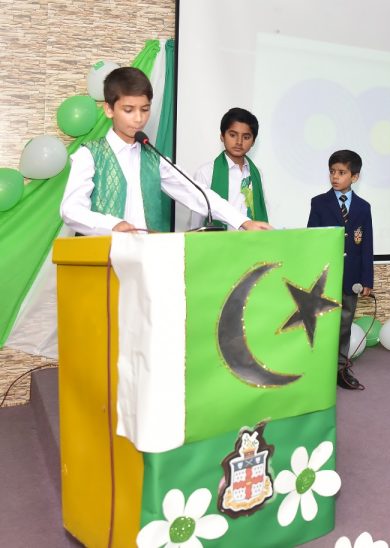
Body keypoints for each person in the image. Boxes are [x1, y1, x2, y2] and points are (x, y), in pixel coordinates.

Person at [60, 67, 270, 235]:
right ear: (109, 109)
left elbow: (196, 192)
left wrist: (243, 222)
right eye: (128, 110)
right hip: (103, 262)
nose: (139, 118)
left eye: (145, 109)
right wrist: (112, 225)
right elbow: (71, 210)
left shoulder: (153, 158)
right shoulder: (90, 155)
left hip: (147, 259)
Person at [307, 150, 373, 390]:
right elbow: (312, 241)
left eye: (342, 173)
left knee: (344, 325)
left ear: (355, 177)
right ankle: (318, 370)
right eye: (332, 172)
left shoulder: (363, 207)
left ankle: (340, 369)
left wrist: (367, 279)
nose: (335, 177)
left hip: (351, 278)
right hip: (325, 277)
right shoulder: (319, 203)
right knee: (322, 325)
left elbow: (366, 245)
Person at [189, 107, 268, 230]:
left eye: (246, 137)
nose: (239, 142)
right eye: (233, 135)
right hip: (219, 241)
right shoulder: (206, 173)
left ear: (253, 142)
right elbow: (196, 221)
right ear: (222, 136)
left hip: (252, 240)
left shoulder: (257, 174)